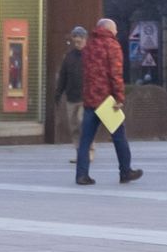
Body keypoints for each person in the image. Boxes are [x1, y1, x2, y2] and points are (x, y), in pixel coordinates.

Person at [75, 18, 142, 187]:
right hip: (106, 102)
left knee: (85, 140)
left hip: (91, 100)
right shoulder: (112, 45)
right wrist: (119, 98)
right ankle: (125, 172)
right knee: (119, 137)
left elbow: (86, 73)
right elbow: (116, 74)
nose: (117, 32)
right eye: (115, 29)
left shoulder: (89, 46)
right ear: (108, 30)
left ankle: (82, 175)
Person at [54, 26, 91, 164]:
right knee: (74, 127)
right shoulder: (69, 57)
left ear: (85, 39)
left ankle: (89, 151)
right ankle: (79, 152)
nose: (77, 40)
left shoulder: (91, 55)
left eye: (80, 37)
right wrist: (58, 94)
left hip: (86, 97)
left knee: (84, 123)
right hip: (71, 97)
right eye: (75, 37)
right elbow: (63, 77)